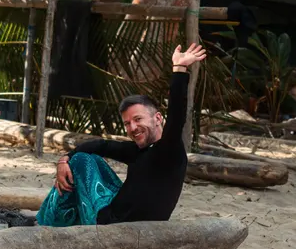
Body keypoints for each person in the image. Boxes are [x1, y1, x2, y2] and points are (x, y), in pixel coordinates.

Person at [37, 44, 208, 227]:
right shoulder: (138, 151)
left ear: (157, 118)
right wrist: (63, 160)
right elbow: (102, 145)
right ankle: (55, 219)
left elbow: (177, 115)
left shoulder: (169, 150)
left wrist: (179, 69)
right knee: (90, 158)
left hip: (113, 226)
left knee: (80, 161)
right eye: (127, 123)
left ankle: (47, 222)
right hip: (120, 214)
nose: (133, 127)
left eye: (138, 119)